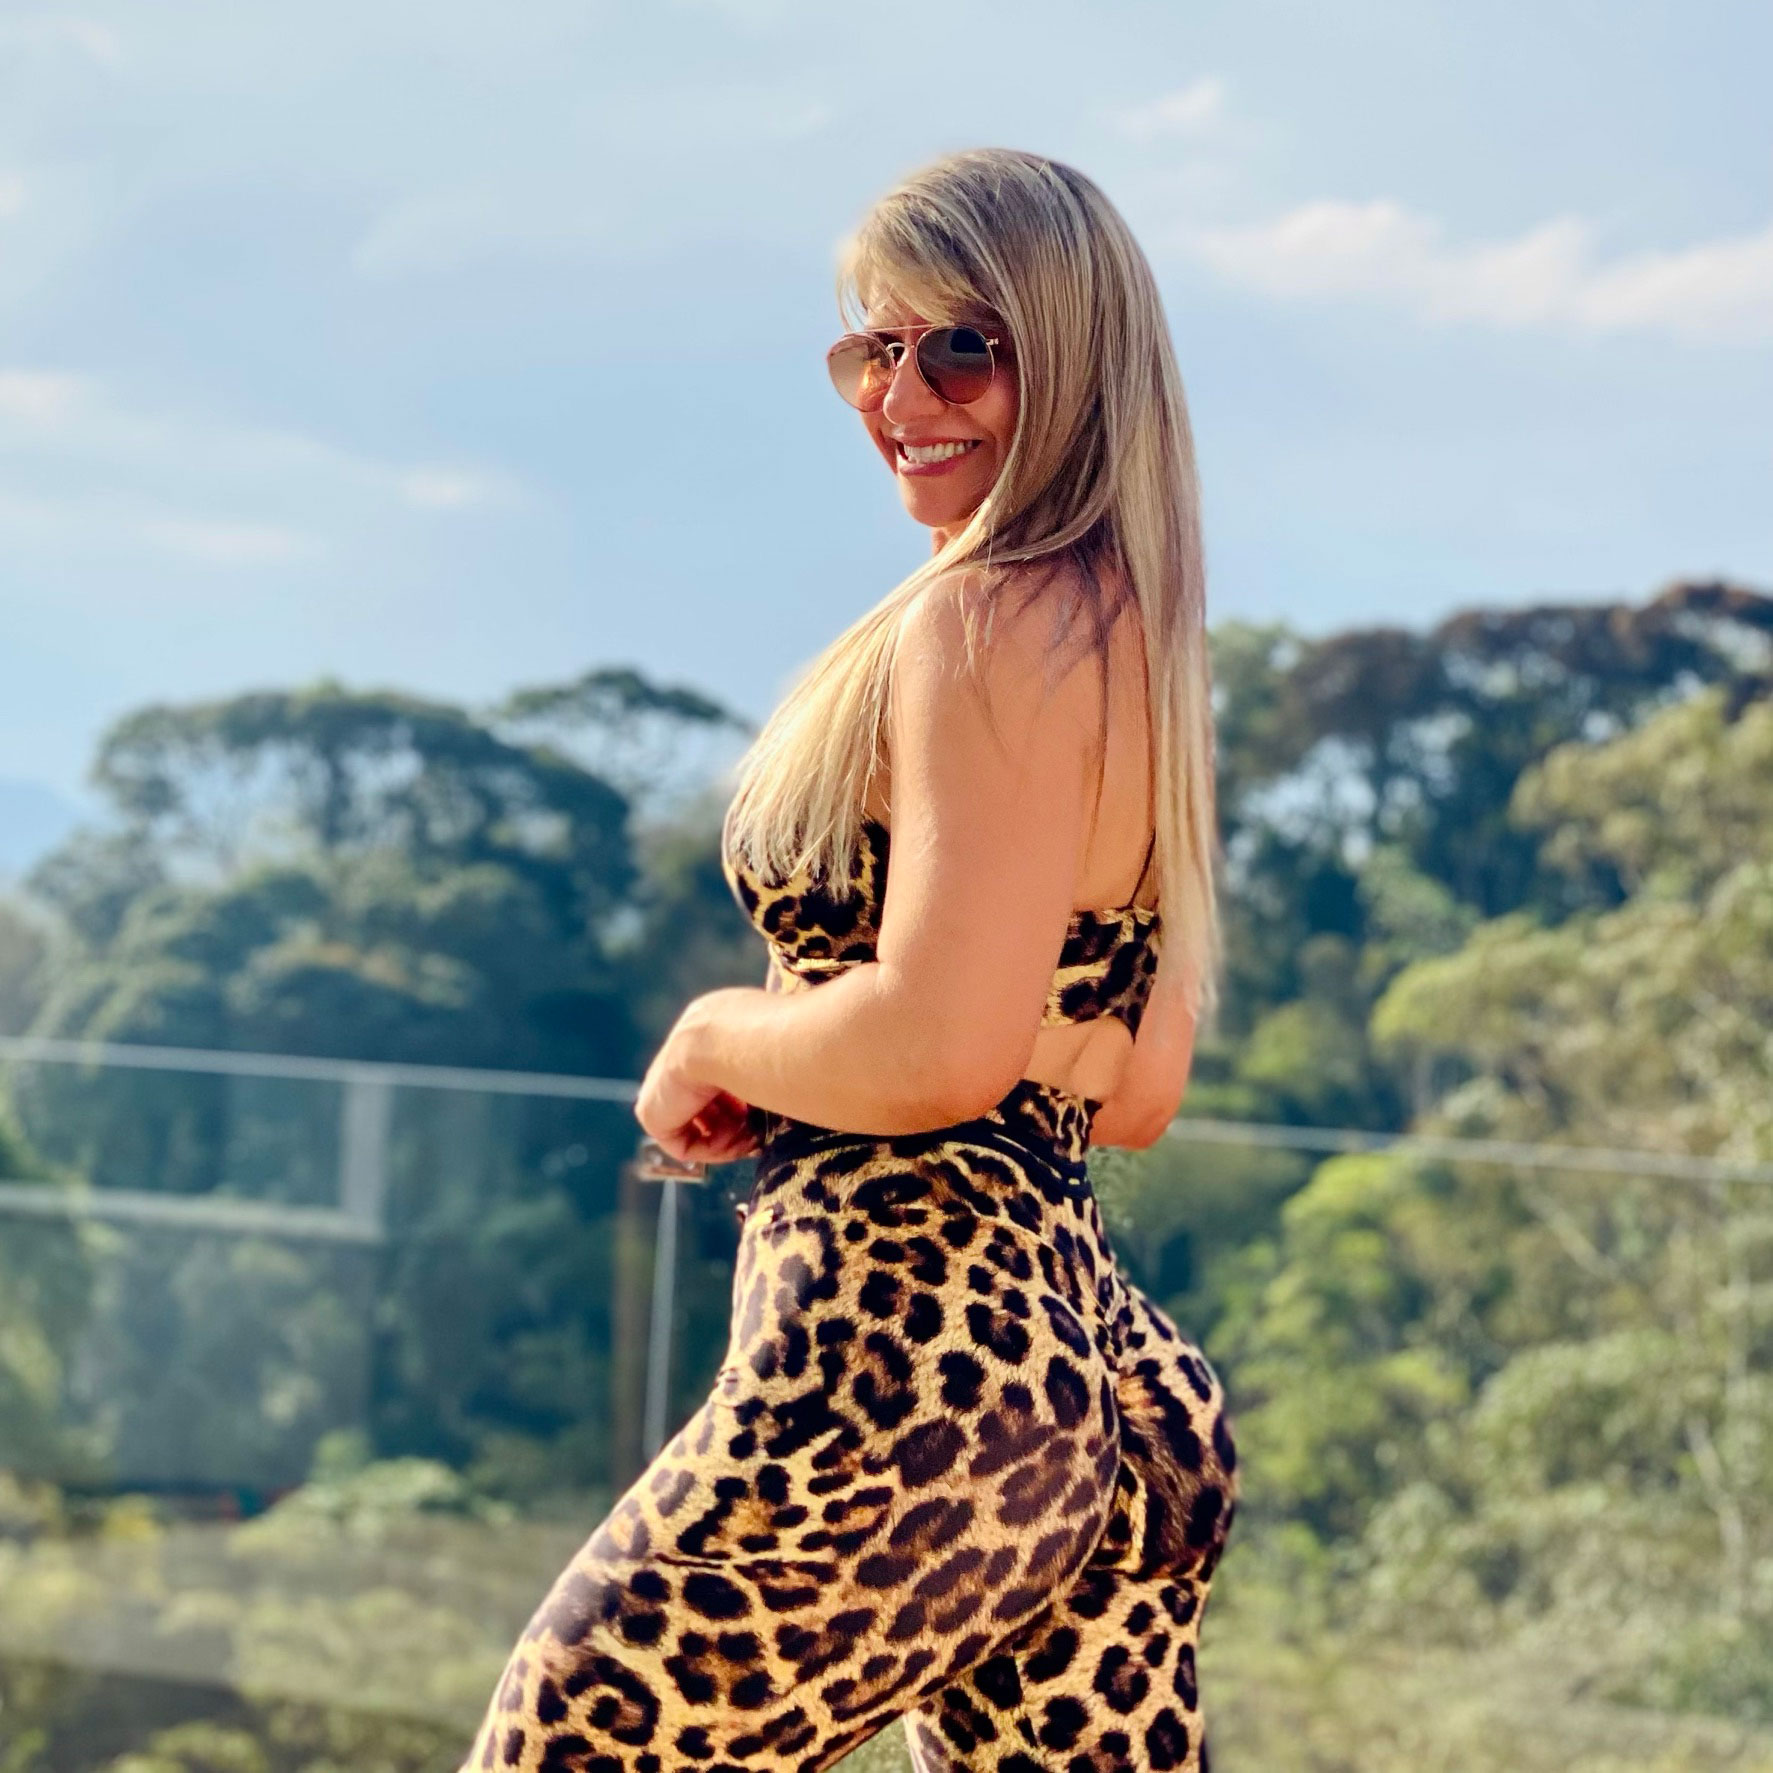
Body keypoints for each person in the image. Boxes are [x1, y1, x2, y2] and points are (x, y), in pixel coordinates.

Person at [461, 147, 1238, 1773]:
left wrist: (716, 1037)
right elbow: (1135, 1085)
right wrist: (961, 1035)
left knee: (567, 1745)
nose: (901, 395)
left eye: (961, 347)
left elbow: (940, 1047)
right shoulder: (1140, 645)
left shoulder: (983, 622)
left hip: (906, 1373)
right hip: (1098, 1381)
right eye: (871, 350)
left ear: (1072, 356)